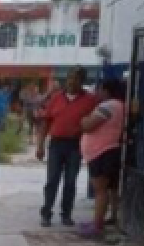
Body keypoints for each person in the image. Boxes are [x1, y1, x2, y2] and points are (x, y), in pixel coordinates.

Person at [36, 67, 98, 227]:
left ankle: (66, 214)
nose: (72, 82)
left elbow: (97, 121)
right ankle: (46, 213)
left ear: (82, 81)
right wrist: (40, 145)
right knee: (52, 180)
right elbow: (45, 123)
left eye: (76, 78)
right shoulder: (56, 98)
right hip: (56, 145)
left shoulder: (90, 100)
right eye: (70, 78)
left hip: (75, 146)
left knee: (70, 181)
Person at [77, 78, 127, 239]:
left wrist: (83, 119)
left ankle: (97, 225)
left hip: (101, 151)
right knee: (107, 189)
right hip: (105, 151)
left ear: (106, 90)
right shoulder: (120, 105)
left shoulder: (108, 106)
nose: (97, 93)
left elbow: (88, 125)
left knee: (100, 190)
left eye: (99, 89)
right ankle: (101, 220)